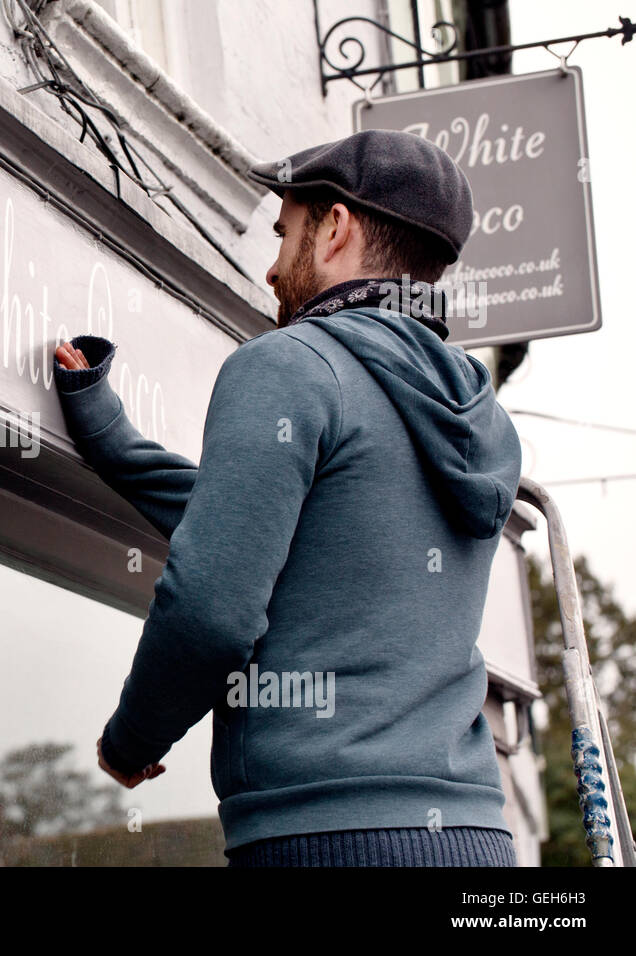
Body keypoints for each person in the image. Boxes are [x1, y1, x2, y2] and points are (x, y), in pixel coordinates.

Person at [53, 129, 522, 867]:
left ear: (335, 228)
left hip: (327, 838)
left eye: (284, 234)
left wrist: (131, 742)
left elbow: (212, 606)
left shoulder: (290, 365)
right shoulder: (479, 418)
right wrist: (109, 432)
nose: (272, 270)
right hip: (475, 840)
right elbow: (272, 527)